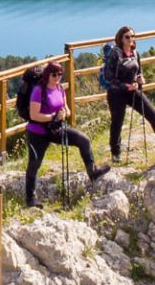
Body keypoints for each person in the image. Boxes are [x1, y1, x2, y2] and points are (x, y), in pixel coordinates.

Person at [21, 60, 109, 207]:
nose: (57, 77)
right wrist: (53, 116)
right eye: (54, 74)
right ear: (47, 75)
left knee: (84, 140)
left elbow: (67, 109)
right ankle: (30, 199)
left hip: (56, 128)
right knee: (34, 164)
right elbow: (34, 115)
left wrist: (64, 113)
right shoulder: (38, 90)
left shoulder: (60, 89)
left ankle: (93, 172)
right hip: (37, 132)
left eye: (60, 74)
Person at [102, 27, 155, 160]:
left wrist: (140, 79)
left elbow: (139, 71)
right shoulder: (115, 54)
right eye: (127, 37)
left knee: (153, 115)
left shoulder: (135, 53)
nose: (131, 39)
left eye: (132, 36)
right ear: (121, 39)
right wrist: (127, 86)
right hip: (116, 94)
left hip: (133, 91)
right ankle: (115, 153)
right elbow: (109, 78)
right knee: (117, 123)